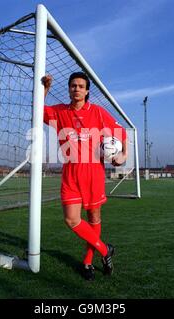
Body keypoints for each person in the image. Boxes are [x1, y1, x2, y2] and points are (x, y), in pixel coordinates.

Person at [41, 72, 127, 281]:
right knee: (71, 219)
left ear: (87, 91)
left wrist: (123, 155)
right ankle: (105, 250)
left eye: (81, 86)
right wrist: (45, 89)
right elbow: (37, 111)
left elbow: (121, 132)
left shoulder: (97, 112)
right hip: (70, 173)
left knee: (93, 218)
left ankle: (88, 263)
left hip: (93, 173)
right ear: (69, 89)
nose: (76, 88)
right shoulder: (60, 112)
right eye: (73, 85)